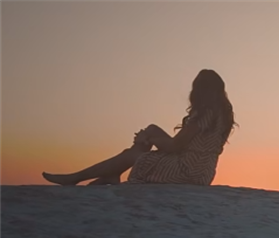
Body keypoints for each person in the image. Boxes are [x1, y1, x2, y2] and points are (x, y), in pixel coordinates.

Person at [42, 69, 237, 186]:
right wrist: (150, 136)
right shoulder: (222, 114)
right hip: (203, 171)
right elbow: (183, 145)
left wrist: (149, 141)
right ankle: (109, 173)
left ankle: (78, 177)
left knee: (136, 152)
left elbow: (176, 147)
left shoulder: (205, 113)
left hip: (188, 170)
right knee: (151, 129)